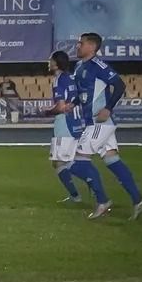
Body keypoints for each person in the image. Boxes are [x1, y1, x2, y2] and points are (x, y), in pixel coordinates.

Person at [73, 32, 142, 220]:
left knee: (75, 162)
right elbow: (82, 93)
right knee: (111, 160)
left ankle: (102, 200)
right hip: (94, 122)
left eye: (80, 43)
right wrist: (70, 104)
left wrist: (108, 108)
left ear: (91, 46)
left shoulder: (99, 65)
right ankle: (138, 200)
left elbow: (120, 85)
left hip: (99, 122)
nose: (77, 46)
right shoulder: (79, 66)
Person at [45, 50, 110, 211]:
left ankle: (98, 194)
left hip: (65, 123)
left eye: (50, 60)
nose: (48, 62)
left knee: (67, 162)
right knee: (62, 161)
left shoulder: (59, 79)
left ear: (56, 63)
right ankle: (78, 195)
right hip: (77, 122)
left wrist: (47, 111)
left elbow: (60, 107)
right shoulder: (74, 78)